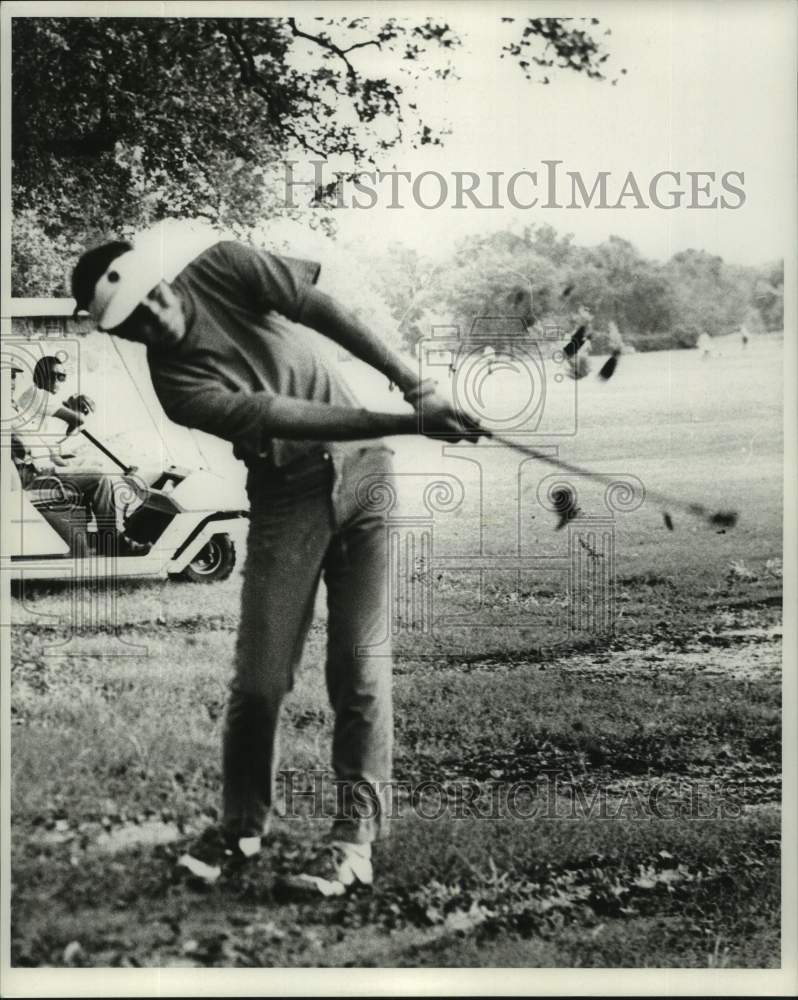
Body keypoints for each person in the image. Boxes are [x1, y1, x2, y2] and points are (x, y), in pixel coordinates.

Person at [71, 226, 482, 895]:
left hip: (367, 482)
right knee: (260, 682)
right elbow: (283, 414)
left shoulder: (225, 267)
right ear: (117, 337)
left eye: (151, 298)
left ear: (159, 277)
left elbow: (323, 309)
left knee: (360, 668)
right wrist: (409, 423)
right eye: (131, 324)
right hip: (286, 497)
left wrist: (417, 387)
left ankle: (353, 844)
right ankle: (240, 828)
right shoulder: (179, 388)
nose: (153, 318)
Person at [12, 357, 143, 553]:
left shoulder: (17, 406)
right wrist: (74, 414)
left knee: (94, 464)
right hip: (35, 474)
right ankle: (111, 539)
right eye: (55, 376)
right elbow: (78, 419)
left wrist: (61, 460)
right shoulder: (35, 395)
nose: (58, 381)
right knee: (99, 478)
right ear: (40, 376)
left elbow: (41, 443)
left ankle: (103, 531)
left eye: (13, 377)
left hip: (41, 467)